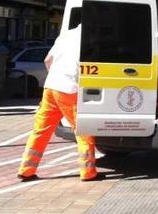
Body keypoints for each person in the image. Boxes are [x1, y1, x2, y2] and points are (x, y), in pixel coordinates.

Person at [17, 25, 99, 182]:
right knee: (83, 129)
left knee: (41, 129)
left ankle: (26, 170)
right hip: (70, 89)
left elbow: (48, 60)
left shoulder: (65, 36)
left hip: (51, 86)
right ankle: (88, 172)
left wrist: (56, 78)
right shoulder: (91, 38)